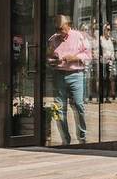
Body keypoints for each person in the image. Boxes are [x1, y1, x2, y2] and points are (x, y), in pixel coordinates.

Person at [46, 13, 91, 145]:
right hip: (59, 75)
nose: (60, 31)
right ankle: (65, 139)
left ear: (68, 25)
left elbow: (88, 55)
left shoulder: (79, 36)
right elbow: (48, 57)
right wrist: (52, 61)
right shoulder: (53, 39)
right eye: (57, 29)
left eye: (62, 28)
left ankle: (82, 136)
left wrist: (74, 58)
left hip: (76, 74)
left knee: (79, 105)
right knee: (59, 108)